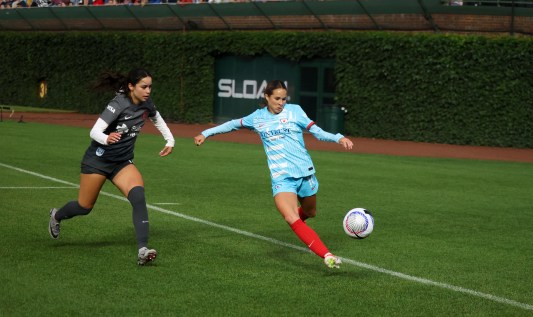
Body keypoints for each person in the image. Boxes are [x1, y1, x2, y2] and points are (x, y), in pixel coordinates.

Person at [193, 80, 354, 269]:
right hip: (281, 178)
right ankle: (327, 255)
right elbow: (232, 124)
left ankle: (298, 226)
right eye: (277, 98)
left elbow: (317, 132)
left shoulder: (295, 111)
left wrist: (338, 137)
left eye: (284, 99)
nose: (281, 102)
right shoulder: (257, 118)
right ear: (267, 97)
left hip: (305, 173)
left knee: (310, 212)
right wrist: (206, 133)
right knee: (291, 217)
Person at [48, 69, 175, 265]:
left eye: (150, 86)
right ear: (131, 87)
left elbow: (156, 118)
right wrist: (106, 138)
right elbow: (94, 131)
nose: (148, 90)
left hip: (121, 163)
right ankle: (57, 215)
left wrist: (170, 140)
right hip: (97, 162)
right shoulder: (118, 104)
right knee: (84, 206)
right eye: (144, 86)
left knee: (138, 197)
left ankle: (142, 250)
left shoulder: (146, 103)